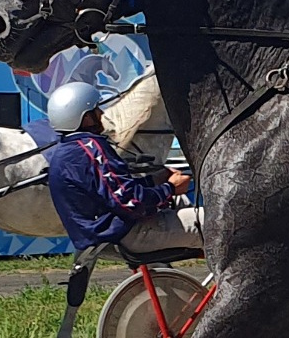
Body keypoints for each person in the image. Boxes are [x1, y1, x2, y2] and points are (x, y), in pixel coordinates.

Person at [41, 81, 200, 257]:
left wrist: (156, 179)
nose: (101, 114)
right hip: (128, 233)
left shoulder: (66, 150)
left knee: (181, 202)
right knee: (221, 223)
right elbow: (131, 202)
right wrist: (169, 188)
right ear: (85, 118)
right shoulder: (93, 148)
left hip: (99, 234)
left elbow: (112, 190)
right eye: (96, 110)